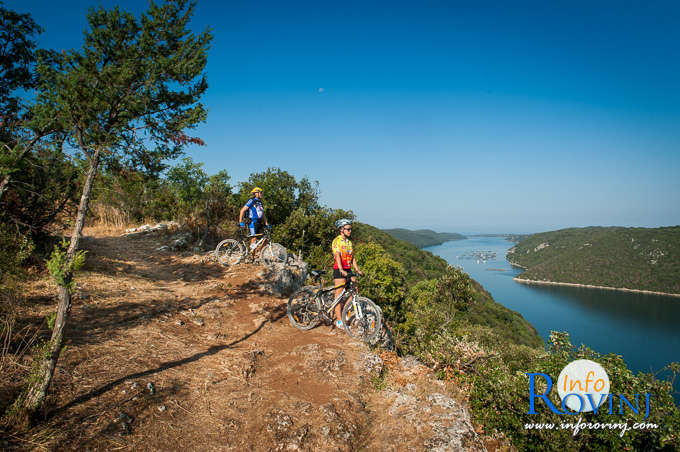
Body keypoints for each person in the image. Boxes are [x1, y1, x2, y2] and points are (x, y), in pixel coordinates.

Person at [331, 218, 363, 328]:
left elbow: (352, 257)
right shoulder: (337, 241)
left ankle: (345, 310)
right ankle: (339, 320)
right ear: (341, 229)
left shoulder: (349, 242)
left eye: (350, 229)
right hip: (339, 269)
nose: (350, 231)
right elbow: (337, 256)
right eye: (348, 229)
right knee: (339, 295)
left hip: (348, 269)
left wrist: (357, 269)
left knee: (355, 289)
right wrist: (341, 269)